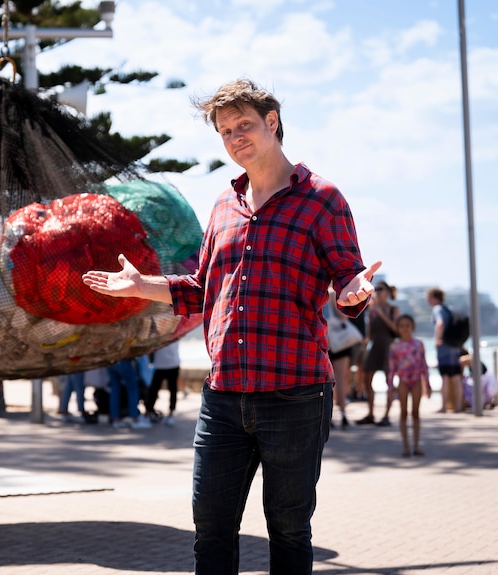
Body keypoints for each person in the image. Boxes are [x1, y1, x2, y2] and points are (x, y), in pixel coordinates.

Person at [82, 78, 380, 575]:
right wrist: (141, 286)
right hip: (223, 397)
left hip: (295, 394)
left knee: (288, 530)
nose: (235, 136)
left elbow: (348, 276)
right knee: (211, 530)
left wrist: (353, 292)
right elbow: (202, 289)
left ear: (273, 122)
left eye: (244, 124)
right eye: (225, 131)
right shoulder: (223, 204)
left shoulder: (322, 198)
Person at [355, 281, 400, 426]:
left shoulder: (394, 309)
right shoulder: (372, 309)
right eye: (377, 289)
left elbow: (396, 329)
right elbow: (370, 330)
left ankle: (386, 415)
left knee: (389, 381)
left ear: (387, 291)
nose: (378, 292)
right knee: (367, 378)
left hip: (388, 346)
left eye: (381, 289)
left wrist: (382, 313)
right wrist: (365, 342)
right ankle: (371, 413)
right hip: (374, 346)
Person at [386, 315, 429, 457]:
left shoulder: (419, 344)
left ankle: (416, 446)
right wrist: (390, 388)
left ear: (413, 327)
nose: (405, 328)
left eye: (408, 325)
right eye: (402, 326)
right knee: (403, 412)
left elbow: (424, 365)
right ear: (398, 329)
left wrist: (427, 384)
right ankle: (406, 446)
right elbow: (391, 368)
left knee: (415, 413)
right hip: (403, 382)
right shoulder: (395, 346)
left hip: (416, 381)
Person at [426, 287, 464, 413]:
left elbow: (440, 323)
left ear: (433, 298)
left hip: (444, 348)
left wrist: (437, 339)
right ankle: (458, 406)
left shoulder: (437, 309)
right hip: (455, 347)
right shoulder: (449, 308)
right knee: (457, 377)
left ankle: (444, 406)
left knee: (445, 377)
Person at [327, 291, 353, 429]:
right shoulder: (335, 293)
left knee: (328, 380)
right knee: (341, 379)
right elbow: (344, 317)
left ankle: (329, 415)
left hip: (326, 339)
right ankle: (343, 414)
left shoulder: (321, 291)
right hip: (340, 340)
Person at [145, 340, 182, 426]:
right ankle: (149, 412)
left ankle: (171, 413)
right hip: (160, 364)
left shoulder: (175, 330)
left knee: (172, 389)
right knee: (154, 389)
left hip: (173, 364)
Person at [106, 358, 151, 430]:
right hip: (122, 360)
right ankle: (135, 419)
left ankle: (115, 419)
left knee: (115, 389)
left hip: (110, 361)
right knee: (132, 388)